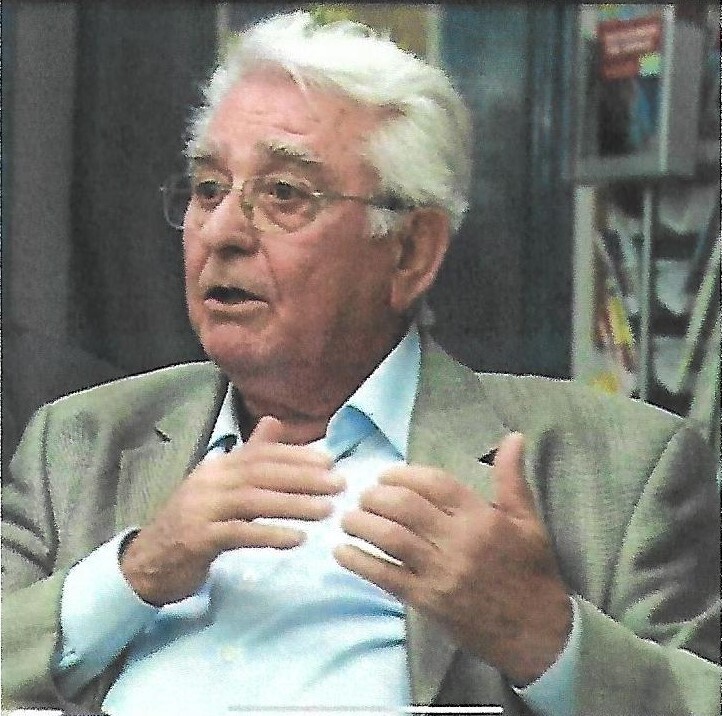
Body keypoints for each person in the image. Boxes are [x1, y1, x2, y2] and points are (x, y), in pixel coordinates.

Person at [2, 11, 719, 716]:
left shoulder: (617, 467)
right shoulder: (79, 444)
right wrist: (138, 570)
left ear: (409, 252)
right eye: (209, 188)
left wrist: (543, 638)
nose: (220, 231)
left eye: (284, 193)